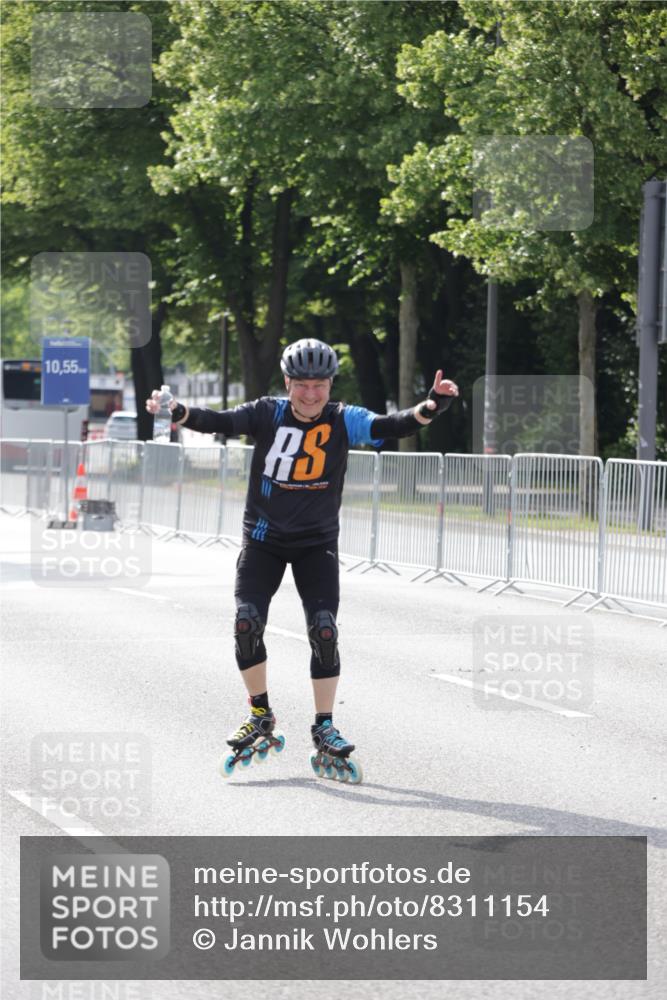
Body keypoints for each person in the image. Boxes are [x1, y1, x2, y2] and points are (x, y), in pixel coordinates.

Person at [146, 338, 458, 782]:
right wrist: (177, 411)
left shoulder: (344, 418)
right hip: (264, 540)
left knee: (324, 630)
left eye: (320, 385)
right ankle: (260, 715)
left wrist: (432, 405)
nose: (311, 394)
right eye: (302, 385)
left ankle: (324, 726)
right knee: (246, 623)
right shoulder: (267, 412)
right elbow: (219, 420)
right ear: (288, 382)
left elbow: (393, 425)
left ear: (330, 385)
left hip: (316, 543)